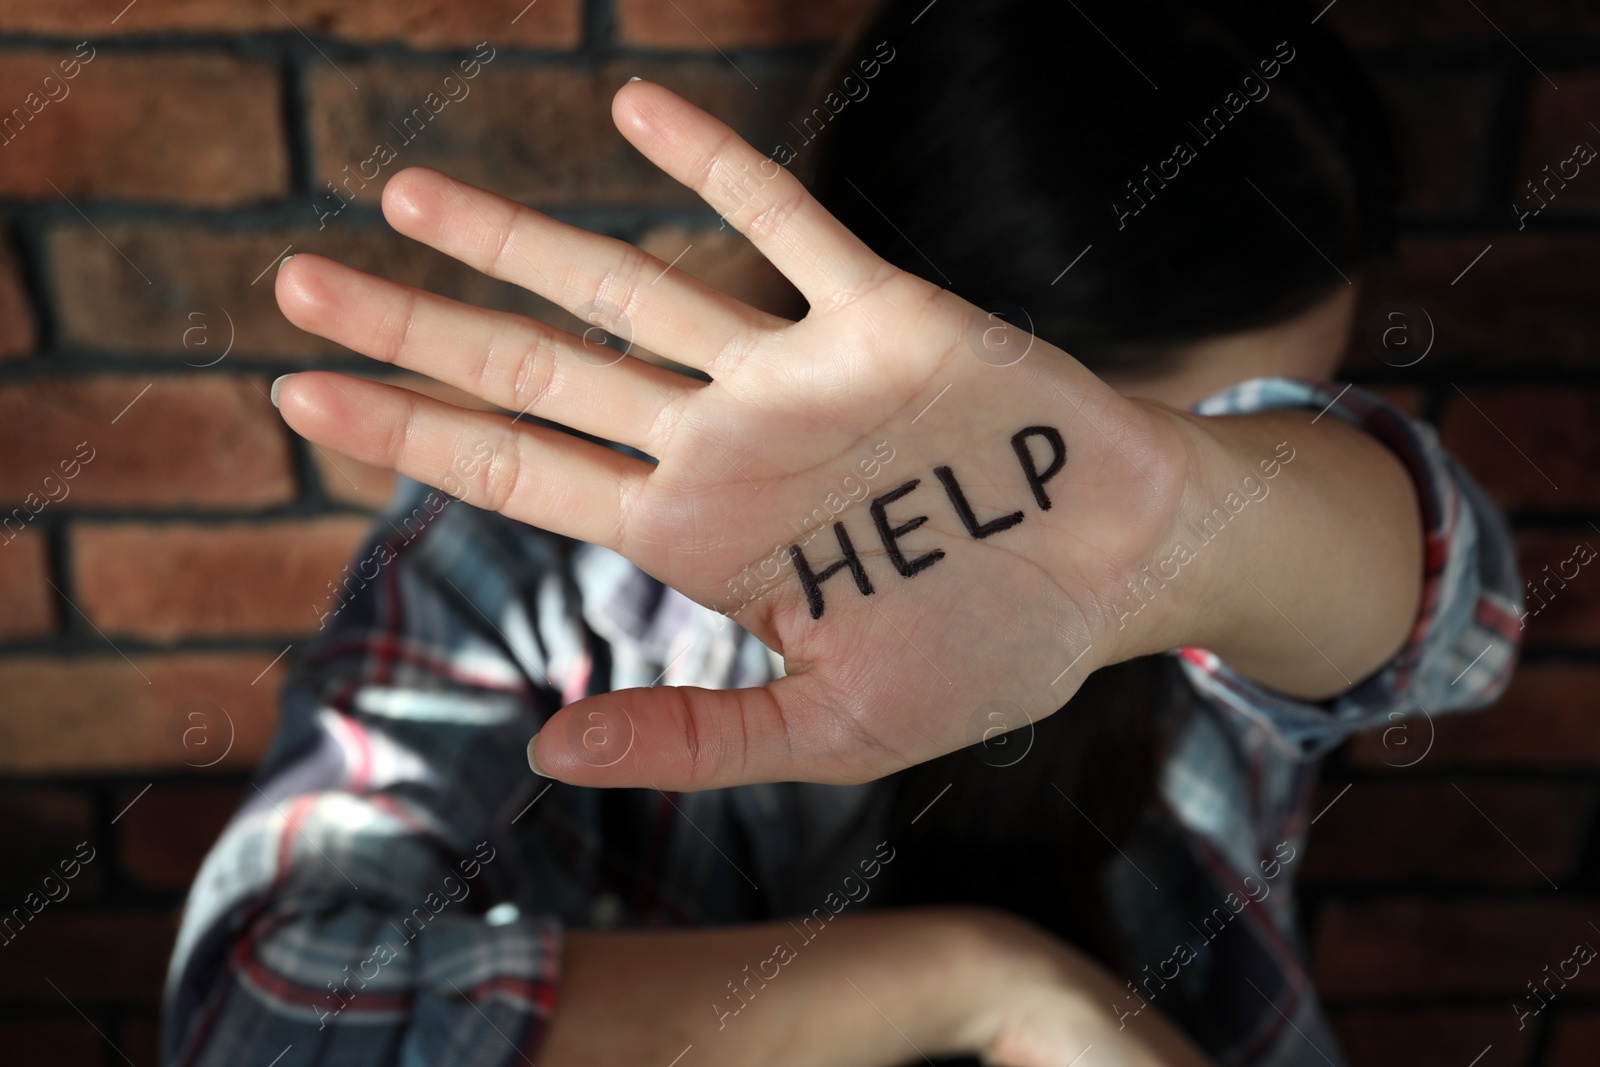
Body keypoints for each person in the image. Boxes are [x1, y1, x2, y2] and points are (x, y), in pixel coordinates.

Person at [162, 1, 1522, 1064]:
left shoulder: (1215, 574)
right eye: (1204, 418)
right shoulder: (523, 565)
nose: (1243, 454)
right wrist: (983, 984)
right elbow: (266, 1028)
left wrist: (1188, 506)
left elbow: (1453, 641)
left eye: (1284, 422)